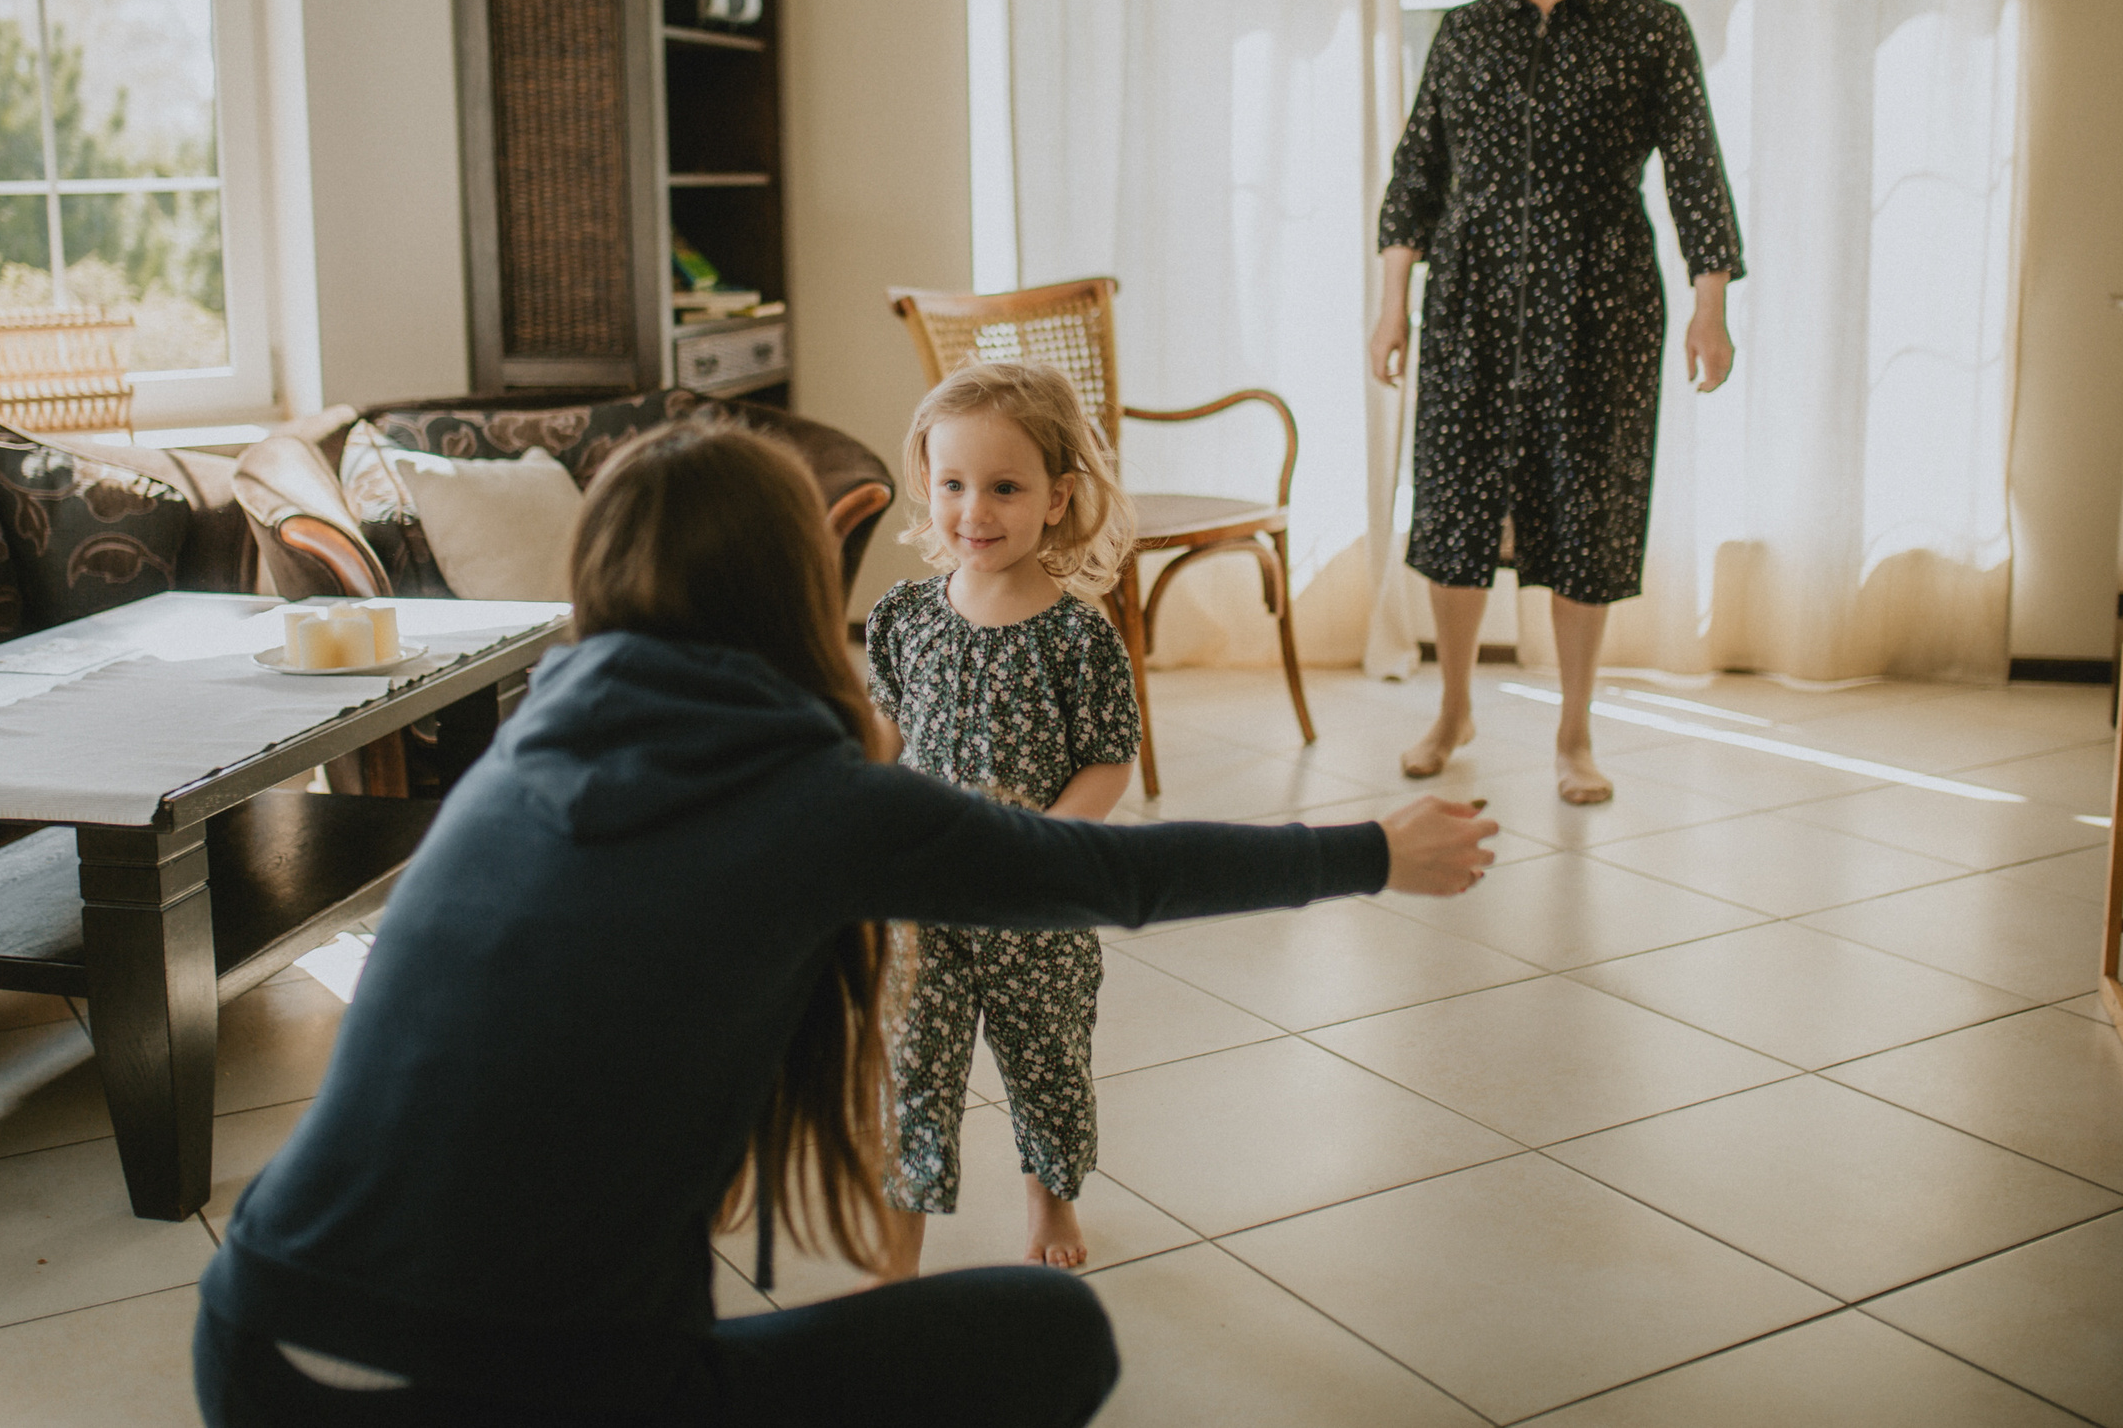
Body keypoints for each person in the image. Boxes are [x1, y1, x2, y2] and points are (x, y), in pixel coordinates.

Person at [192, 419, 1498, 1428]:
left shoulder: (522, 753)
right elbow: (1110, 873)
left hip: (254, 1346)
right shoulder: (810, 801)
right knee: (1057, 1333)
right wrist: (1372, 848)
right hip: (528, 1386)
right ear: (795, 590)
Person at [1370, 0, 1745, 805]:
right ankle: (1453, 706)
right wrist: (1390, 307)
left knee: (1589, 516)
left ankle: (1575, 732)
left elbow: (1698, 175)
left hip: (1602, 307)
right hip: (1470, 306)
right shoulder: (1463, 35)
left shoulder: (1650, 30)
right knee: (1454, 511)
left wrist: (1713, 309)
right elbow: (1417, 179)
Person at [866, 363, 1140, 1280]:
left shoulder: (1077, 634)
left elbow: (1110, 756)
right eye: (953, 484)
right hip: (925, 895)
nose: (973, 510)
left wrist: (1043, 845)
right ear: (928, 485)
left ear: (1058, 498)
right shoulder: (906, 617)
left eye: (1005, 487)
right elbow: (887, 732)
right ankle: (901, 1237)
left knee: (1047, 1056)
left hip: (1032, 901)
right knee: (913, 1068)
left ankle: (1050, 1188)